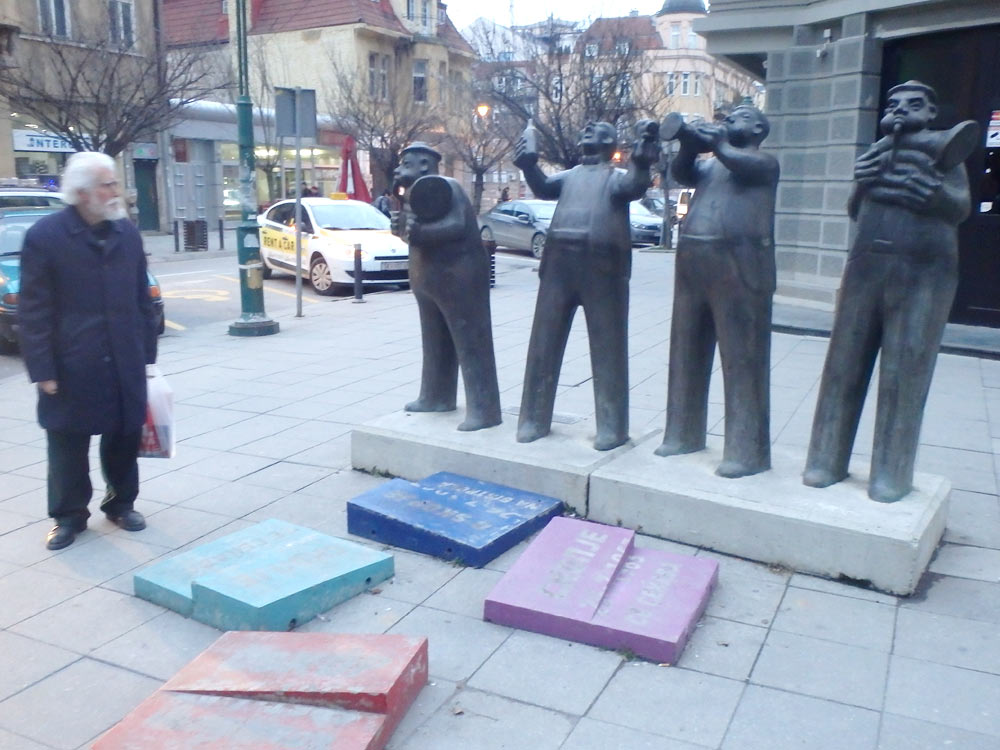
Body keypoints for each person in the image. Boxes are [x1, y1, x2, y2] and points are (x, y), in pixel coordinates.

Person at [803, 81, 976, 502]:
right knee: (843, 364)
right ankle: (827, 458)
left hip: (922, 273)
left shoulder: (943, 153)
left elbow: (960, 207)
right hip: (866, 268)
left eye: (912, 104)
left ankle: (891, 473)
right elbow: (855, 210)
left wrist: (933, 194)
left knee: (904, 370)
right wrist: (861, 183)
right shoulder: (877, 151)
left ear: (931, 112)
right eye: (894, 104)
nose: (900, 110)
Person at [18, 152, 159, 550]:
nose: (116, 192)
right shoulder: (45, 237)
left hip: (124, 358)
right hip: (70, 363)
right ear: (81, 193)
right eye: (107, 185)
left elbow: (141, 297)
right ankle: (68, 516)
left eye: (115, 183)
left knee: (123, 438)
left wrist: (146, 354)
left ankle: (121, 503)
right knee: (67, 444)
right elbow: (34, 310)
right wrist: (42, 369)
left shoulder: (125, 233)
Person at [513, 120, 659, 451]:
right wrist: (528, 165)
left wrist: (642, 159)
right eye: (586, 131)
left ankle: (612, 426)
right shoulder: (569, 176)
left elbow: (635, 185)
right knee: (543, 344)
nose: (587, 133)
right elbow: (544, 187)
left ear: (610, 143)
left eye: (596, 131)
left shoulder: (614, 178)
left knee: (608, 347)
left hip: (602, 270)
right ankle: (533, 419)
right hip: (558, 268)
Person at [655, 104, 779, 478]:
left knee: (741, 359)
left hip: (740, 269)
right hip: (694, 265)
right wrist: (690, 145)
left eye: (740, 117)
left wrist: (719, 142)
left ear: (758, 129)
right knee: (685, 350)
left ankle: (747, 450)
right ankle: (682, 433)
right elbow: (680, 174)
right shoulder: (710, 168)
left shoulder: (765, 163)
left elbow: (740, 163)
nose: (728, 121)